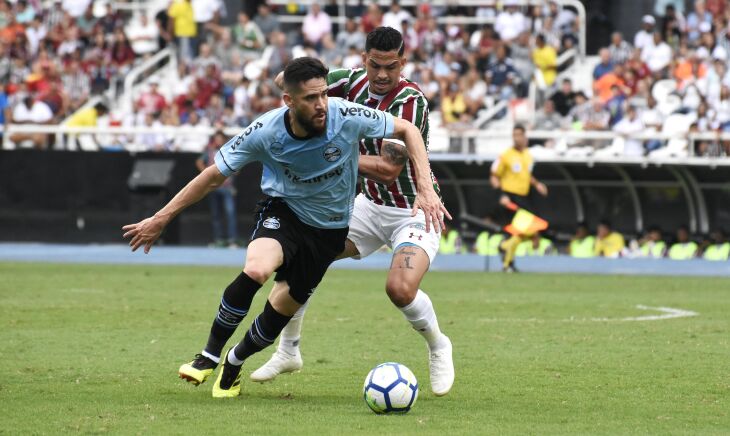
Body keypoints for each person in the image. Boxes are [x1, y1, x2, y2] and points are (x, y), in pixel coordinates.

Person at [122, 57, 447, 398]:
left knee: (280, 308)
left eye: (323, 95)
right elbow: (212, 176)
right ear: (289, 101)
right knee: (257, 268)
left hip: (330, 231)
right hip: (285, 212)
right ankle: (208, 355)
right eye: (310, 98)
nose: (321, 104)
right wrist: (162, 217)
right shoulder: (266, 131)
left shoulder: (345, 114)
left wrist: (425, 185)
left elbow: (407, 129)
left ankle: (235, 362)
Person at [252, 27, 455, 396]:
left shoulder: (411, 101)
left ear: (403, 63)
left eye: (390, 67)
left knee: (399, 288)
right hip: (365, 206)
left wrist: (326, 151)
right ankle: (288, 351)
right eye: (375, 65)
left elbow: (388, 169)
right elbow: (285, 79)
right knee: (299, 261)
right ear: (364, 59)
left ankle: (439, 345)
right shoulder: (348, 81)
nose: (381, 75)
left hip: (411, 209)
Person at [490, 124, 549, 272]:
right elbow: (494, 176)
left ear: (524, 136)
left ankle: (504, 250)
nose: (516, 138)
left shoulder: (528, 156)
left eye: (519, 135)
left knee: (524, 231)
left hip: (524, 197)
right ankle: (507, 264)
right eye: (514, 135)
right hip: (509, 197)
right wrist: (501, 195)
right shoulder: (505, 155)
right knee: (521, 230)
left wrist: (537, 185)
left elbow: (526, 175)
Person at [196, 130, 238, 248]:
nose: (218, 140)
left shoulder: (230, 150)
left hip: (227, 188)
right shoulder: (209, 151)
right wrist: (206, 174)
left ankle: (232, 241)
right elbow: (199, 162)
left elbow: (238, 168)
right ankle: (218, 240)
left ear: (224, 139)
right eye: (216, 138)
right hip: (213, 188)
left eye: (220, 138)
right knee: (216, 215)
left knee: (230, 214)